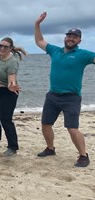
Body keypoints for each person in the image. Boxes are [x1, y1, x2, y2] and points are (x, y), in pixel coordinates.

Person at [34, 12, 95, 167]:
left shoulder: (83, 54)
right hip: (52, 95)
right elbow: (39, 40)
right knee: (46, 124)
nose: (71, 39)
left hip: (72, 97)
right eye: (69, 36)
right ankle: (50, 148)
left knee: (72, 128)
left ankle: (83, 155)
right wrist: (37, 24)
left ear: (79, 40)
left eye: (74, 37)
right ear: (65, 38)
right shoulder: (55, 51)